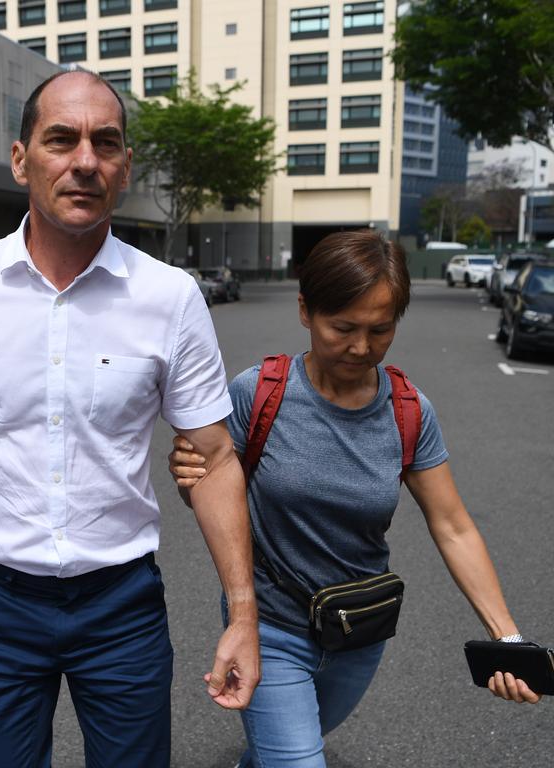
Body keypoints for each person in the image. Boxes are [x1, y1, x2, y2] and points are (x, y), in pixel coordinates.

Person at [0, 70, 260, 768]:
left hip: (122, 607)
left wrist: (243, 616)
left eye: (106, 143)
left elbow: (212, 457)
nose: (84, 161)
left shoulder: (172, 298)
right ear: (21, 158)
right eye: (61, 139)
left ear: (125, 167)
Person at [170, 230, 540, 768]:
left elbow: (454, 525)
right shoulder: (259, 392)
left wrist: (507, 639)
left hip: (358, 627)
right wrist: (188, 478)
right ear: (305, 310)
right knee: (298, 760)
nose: (361, 347)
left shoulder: (411, 412)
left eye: (380, 329)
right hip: (269, 622)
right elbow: (212, 486)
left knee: (287, 749)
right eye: (342, 328)